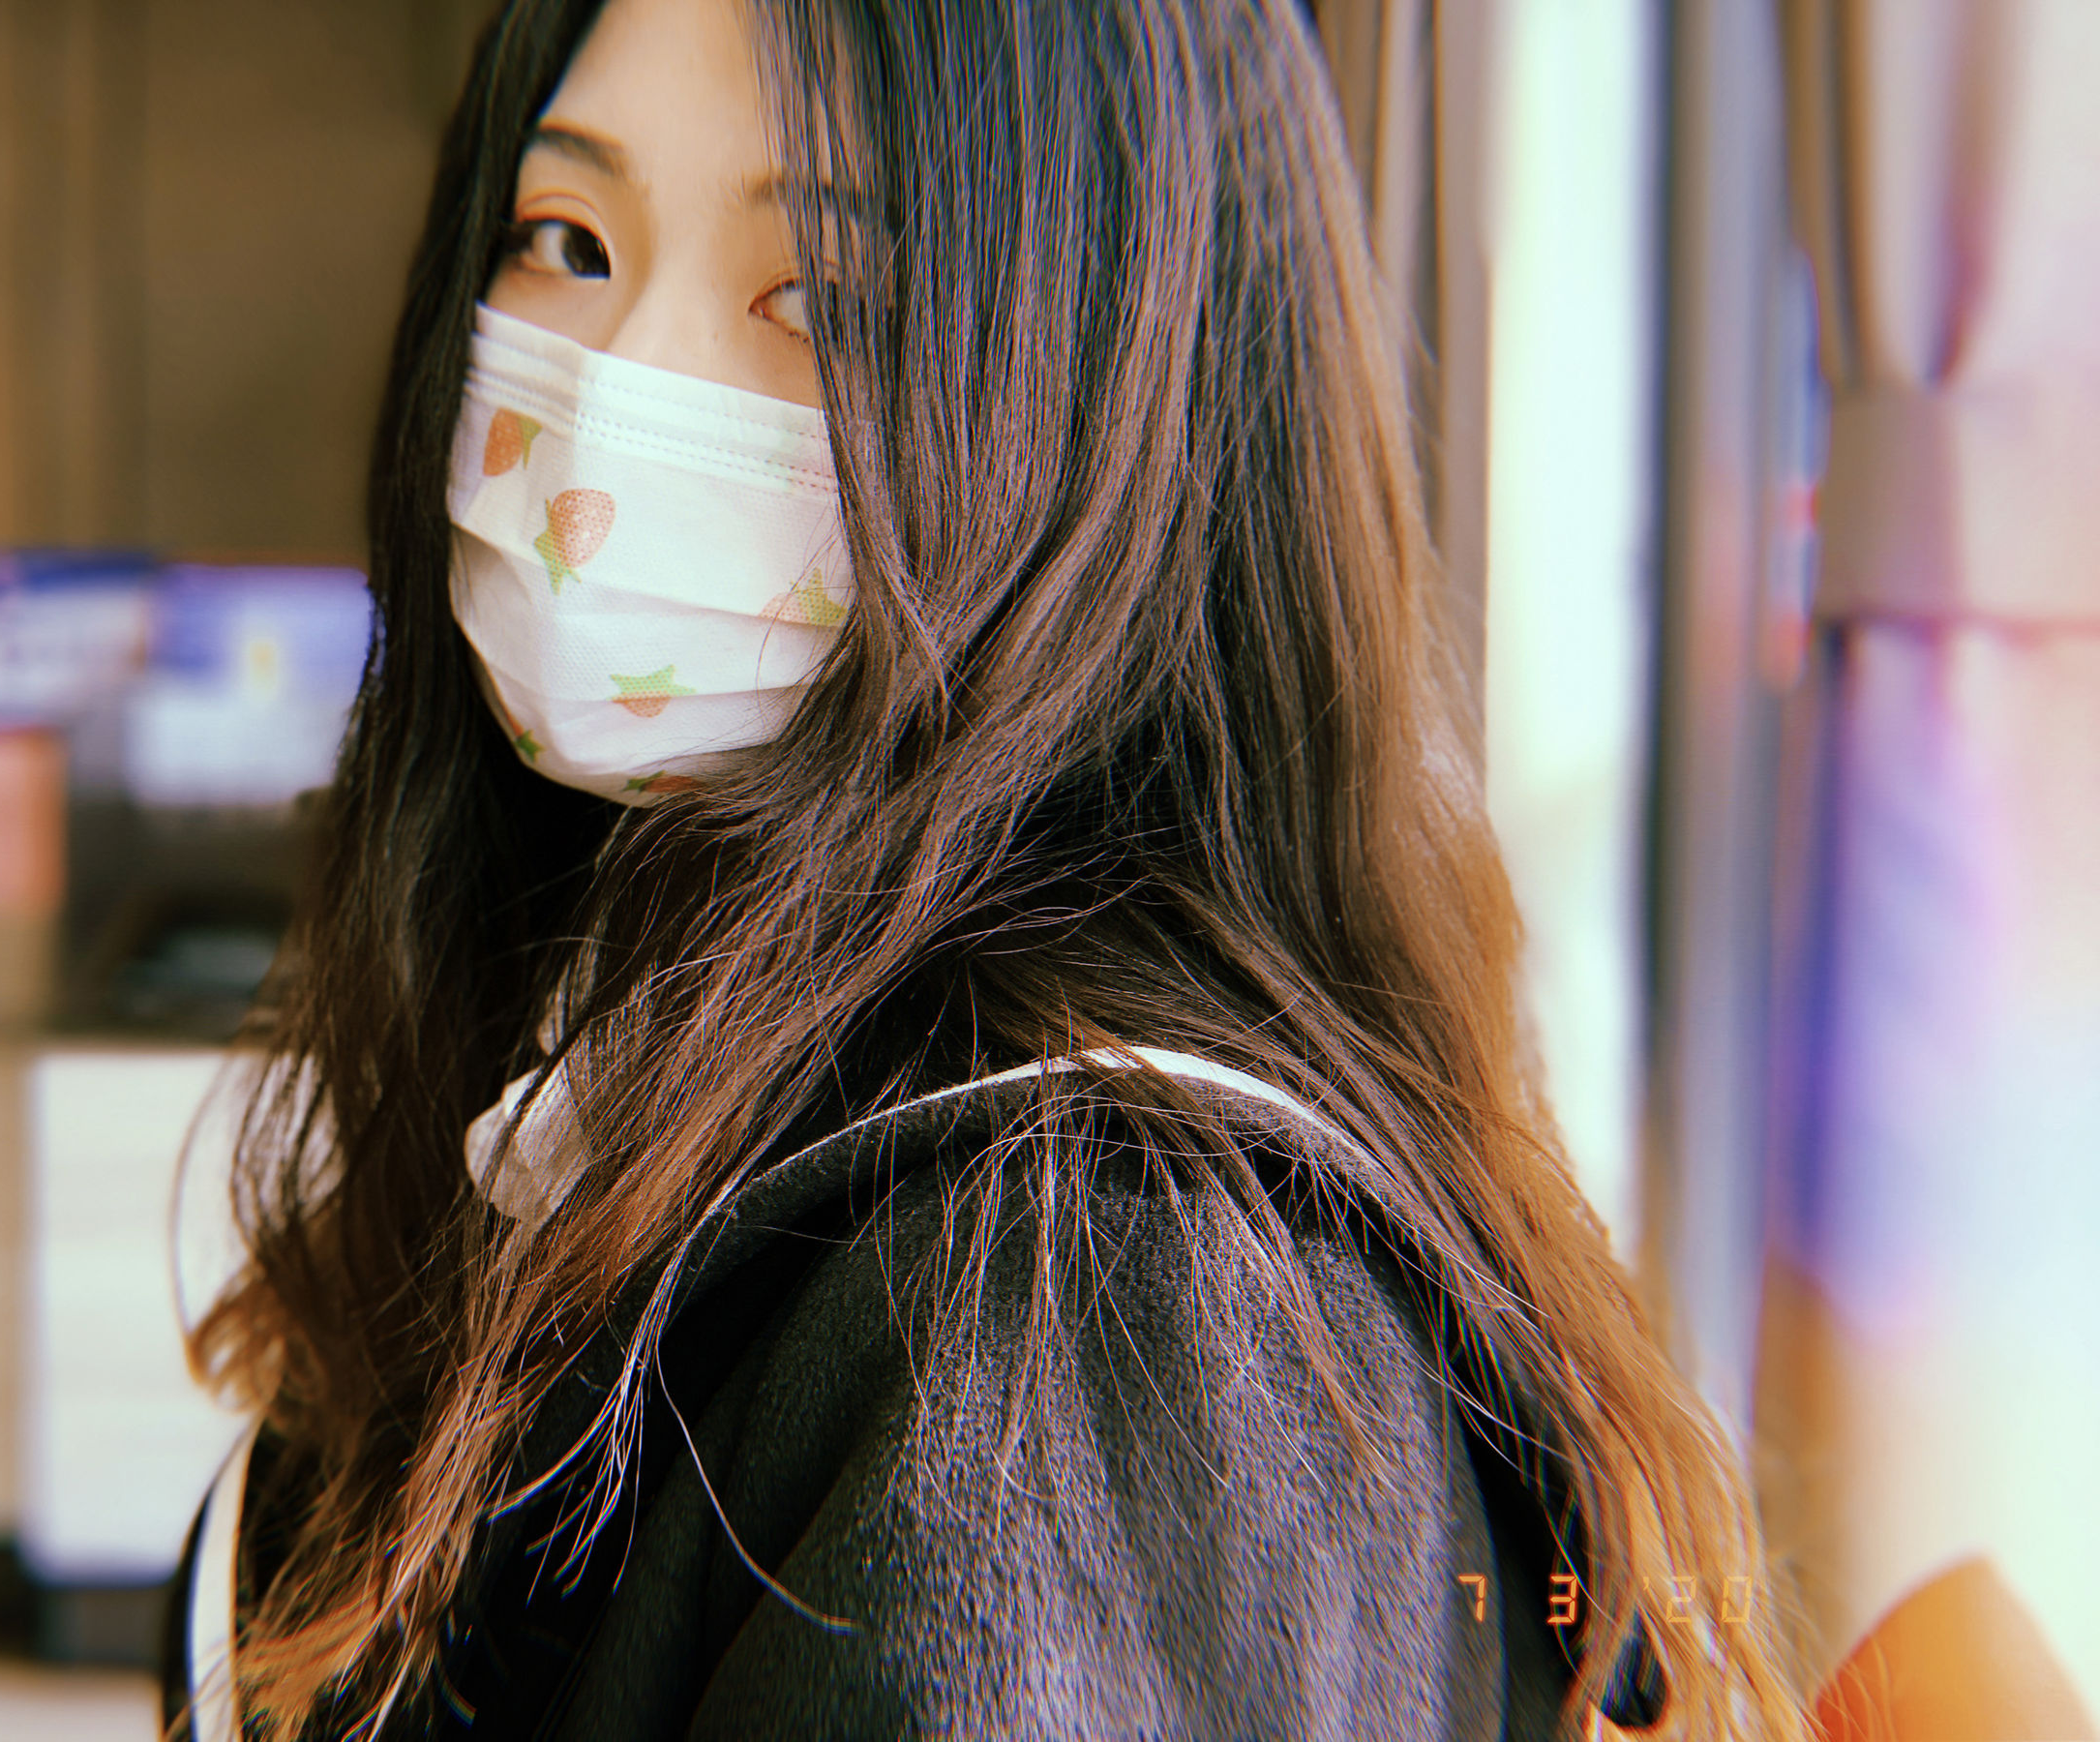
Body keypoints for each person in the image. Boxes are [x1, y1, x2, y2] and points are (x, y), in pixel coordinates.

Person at [164, 0, 1812, 1736]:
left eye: (825, 299)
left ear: (1132, 412)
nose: (621, 391)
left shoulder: (1095, 1312)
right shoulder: (614, 1048)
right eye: (567, 241)